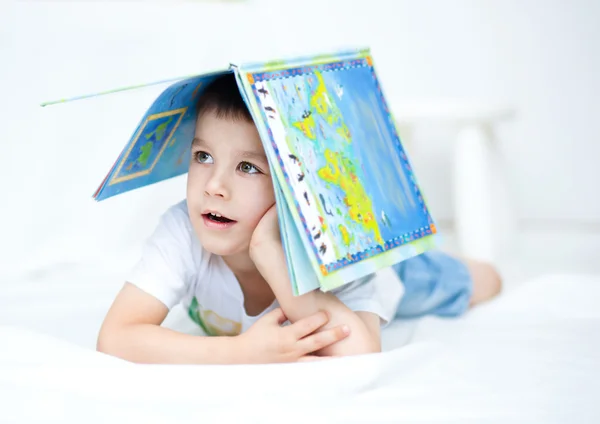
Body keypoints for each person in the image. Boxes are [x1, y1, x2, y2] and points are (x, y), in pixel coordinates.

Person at [97, 74, 502, 364]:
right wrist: (239, 353)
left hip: (392, 273)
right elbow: (116, 337)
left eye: (248, 168)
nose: (214, 186)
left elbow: (359, 353)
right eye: (203, 157)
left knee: (477, 281)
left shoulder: (337, 240)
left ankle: (462, 265)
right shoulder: (183, 230)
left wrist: (270, 252)